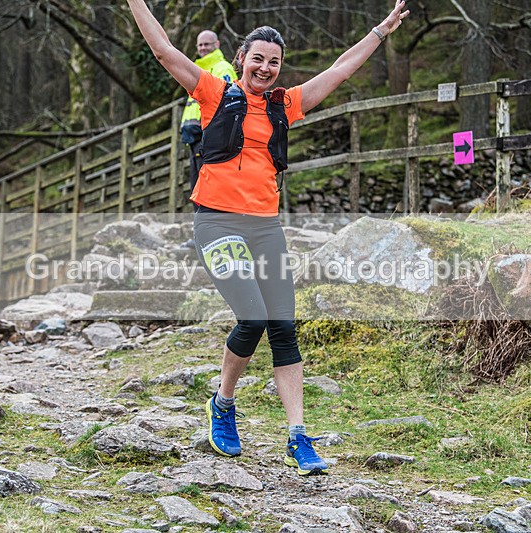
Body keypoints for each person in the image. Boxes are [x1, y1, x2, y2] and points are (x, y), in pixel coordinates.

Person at [125, 0, 409, 476]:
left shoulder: (285, 104)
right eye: (257, 58)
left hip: (265, 227)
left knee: (282, 326)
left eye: (274, 62)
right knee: (252, 316)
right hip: (217, 222)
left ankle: (298, 436)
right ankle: (223, 402)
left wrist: (380, 31)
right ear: (241, 59)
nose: (265, 68)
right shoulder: (214, 92)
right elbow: (162, 50)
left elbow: (339, 71)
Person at [180, 31, 238, 199]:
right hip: (193, 137)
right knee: (196, 186)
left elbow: (229, 104)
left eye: (207, 44)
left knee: (207, 187)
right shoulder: (199, 69)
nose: (203, 48)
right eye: (200, 45)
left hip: (208, 136)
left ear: (217, 44)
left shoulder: (222, 68)